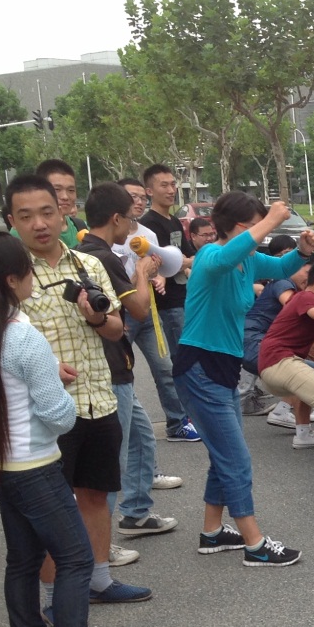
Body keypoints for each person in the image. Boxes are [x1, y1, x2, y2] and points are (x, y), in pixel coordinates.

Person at [0, 232, 139, 627]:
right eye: (28, 271)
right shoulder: (22, 336)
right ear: (12, 280)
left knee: (23, 559)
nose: (33, 277)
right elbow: (59, 416)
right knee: (75, 560)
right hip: (34, 465)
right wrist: (56, 384)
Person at [8, 174, 151, 606]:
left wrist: (96, 317)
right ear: (12, 220)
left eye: (47, 212)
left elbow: (117, 328)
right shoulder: (10, 275)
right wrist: (45, 366)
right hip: (46, 411)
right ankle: (55, 597)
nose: (39, 224)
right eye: (26, 216)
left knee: (95, 493)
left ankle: (99, 580)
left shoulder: (88, 264)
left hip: (98, 399)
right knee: (53, 505)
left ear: (62, 213)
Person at [173, 193, 314, 565]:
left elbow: (281, 266)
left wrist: (302, 251)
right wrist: (271, 219)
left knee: (224, 454)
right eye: (256, 225)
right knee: (235, 459)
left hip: (223, 368)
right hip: (200, 367)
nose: (263, 231)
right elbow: (226, 256)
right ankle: (255, 545)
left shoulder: (248, 260)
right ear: (240, 226)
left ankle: (212, 532)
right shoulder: (211, 256)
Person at [75, 183, 178, 549]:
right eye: (131, 221)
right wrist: (143, 272)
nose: (132, 228)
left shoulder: (85, 251)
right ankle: (97, 546)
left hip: (116, 365)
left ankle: (135, 513)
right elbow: (137, 308)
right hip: (108, 369)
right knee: (111, 458)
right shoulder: (102, 257)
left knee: (141, 439)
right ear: (116, 219)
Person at [117, 176, 199, 444]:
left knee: (165, 368)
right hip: (120, 313)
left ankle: (177, 423)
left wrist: (158, 277)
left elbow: (160, 266)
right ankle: (120, 430)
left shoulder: (148, 235)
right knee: (119, 372)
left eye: (142, 197)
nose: (139, 202)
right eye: (133, 197)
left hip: (148, 311)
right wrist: (141, 276)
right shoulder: (110, 238)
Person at [257, 258, 314, 456]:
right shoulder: (306, 298)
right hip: (279, 361)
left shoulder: (306, 303)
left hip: (276, 364)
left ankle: (303, 435)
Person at [242, 235, 303, 428]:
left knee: (301, 363)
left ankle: (296, 410)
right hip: (252, 341)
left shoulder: (285, 282)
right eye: (281, 256)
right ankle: (284, 410)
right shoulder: (283, 282)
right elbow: (291, 306)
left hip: (257, 339)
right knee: (301, 369)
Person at [139, 163, 196, 357]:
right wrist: (183, 262)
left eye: (173, 184)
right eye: (164, 185)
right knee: (181, 356)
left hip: (184, 296)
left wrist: (184, 262)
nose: (171, 190)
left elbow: (190, 255)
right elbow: (163, 263)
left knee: (191, 352)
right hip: (167, 303)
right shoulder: (148, 224)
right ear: (149, 191)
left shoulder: (174, 221)